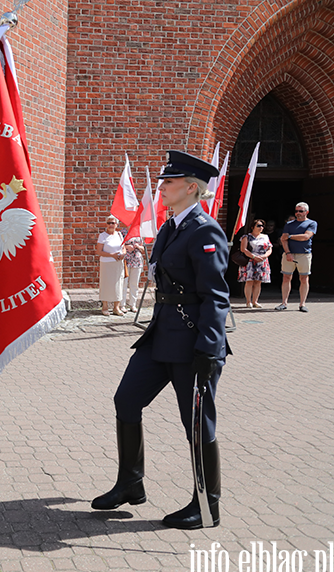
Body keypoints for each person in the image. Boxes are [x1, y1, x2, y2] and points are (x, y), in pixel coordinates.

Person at [91, 151, 230, 529]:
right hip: (162, 335)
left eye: (169, 182)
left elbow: (216, 296)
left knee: (197, 424)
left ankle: (207, 505)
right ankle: (130, 483)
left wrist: (209, 346)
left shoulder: (205, 230)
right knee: (126, 400)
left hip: (193, 341)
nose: (162, 187)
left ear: (190, 188)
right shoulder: (171, 227)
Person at [276, 202, 317, 313]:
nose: (298, 213)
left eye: (301, 211)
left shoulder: (312, 223)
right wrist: (288, 252)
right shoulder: (289, 224)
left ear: (306, 212)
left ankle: (302, 304)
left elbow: (306, 236)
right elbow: (283, 240)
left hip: (304, 254)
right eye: (296, 211)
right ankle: (284, 303)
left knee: (304, 278)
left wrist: (290, 236)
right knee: (286, 277)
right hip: (289, 254)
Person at [238, 219, 272, 308]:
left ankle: (255, 301)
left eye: (262, 226)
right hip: (250, 261)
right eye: (258, 225)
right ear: (252, 227)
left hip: (262, 261)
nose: (261, 227)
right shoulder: (246, 237)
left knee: (258, 282)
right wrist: (253, 257)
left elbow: (269, 248)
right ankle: (248, 301)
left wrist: (265, 256)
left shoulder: (265, 237)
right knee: (249, 281)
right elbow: (243, 249)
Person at [97, 215, 125, 316]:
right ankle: (105, 306)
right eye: (109, 223)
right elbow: (99, 251)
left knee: (118, 284)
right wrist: (111, 255)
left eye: (113, 223)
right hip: (106, 263)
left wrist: (123, 254)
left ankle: (116, 307)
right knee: (106, 284)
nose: (111, 225)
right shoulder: (102, 236)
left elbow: (123, 248)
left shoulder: (119, 235)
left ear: (116, 224)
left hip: (118, 263)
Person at [122, 236, 146, 311]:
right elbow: (119, 246)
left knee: (134, 284)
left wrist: (138, 246)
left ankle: (133, 304)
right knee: (124, 283)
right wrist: (127, 246)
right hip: (126, 261)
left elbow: (143, 249)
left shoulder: (139, 235)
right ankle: (122, 305)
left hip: (137, 262)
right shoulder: (123, 233)